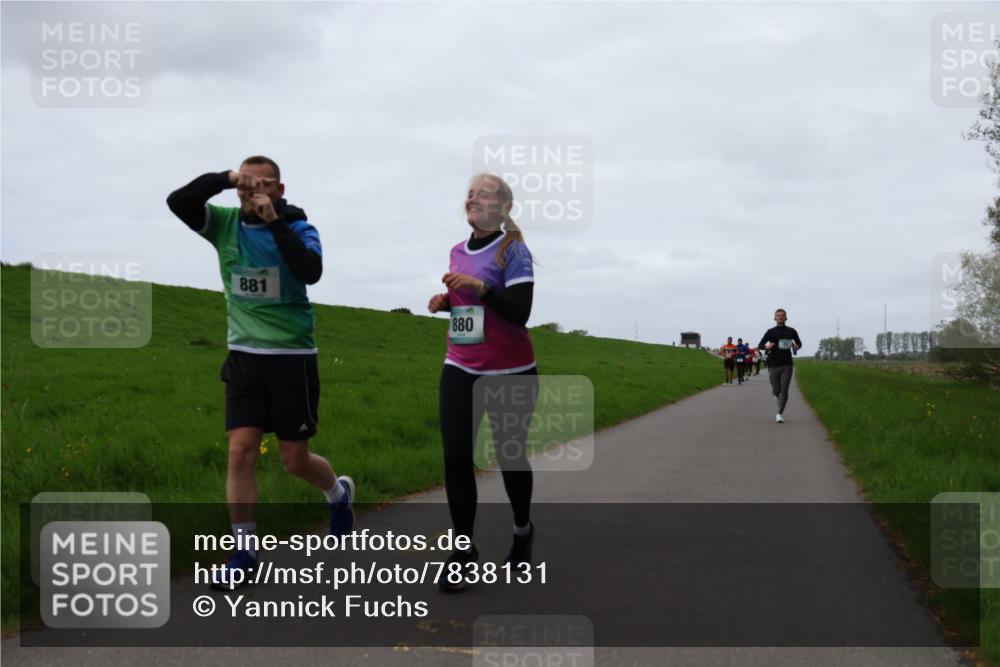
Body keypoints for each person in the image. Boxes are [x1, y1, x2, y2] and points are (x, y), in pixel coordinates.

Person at [167, 156, 354, 589]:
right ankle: (245, 552)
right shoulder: (224, 223)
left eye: (264, 185)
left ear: (280, 190)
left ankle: (338, 494)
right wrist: (225, 177)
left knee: (294, 460)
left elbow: (311, 271)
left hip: (292, 357)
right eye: (247, 185)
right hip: (244, 356)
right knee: (240, 451)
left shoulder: (300, 227)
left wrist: (275, 223)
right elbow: (178, 202)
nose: (254, 193)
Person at [428, 173, 538, 591]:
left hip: (510, 370)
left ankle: (522, 532)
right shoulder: (457, 251)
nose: (472, 198)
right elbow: (469, 311)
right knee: (456, 457)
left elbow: (520, 312)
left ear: (503, 207)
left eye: (483, 193)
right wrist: (447, 304)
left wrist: (481, 288)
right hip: (460, 366)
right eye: (470, 193)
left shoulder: (514, 250)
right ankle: (463, 552)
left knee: (510, 456)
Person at [758, 308, 803, 423]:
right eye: (778, 315)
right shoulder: (770, 332)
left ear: (786, 318)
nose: (781, 317)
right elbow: (760, 345)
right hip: (773, 364)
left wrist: (796, 347)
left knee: (785, 389)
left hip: (787, 364)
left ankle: (780, 413)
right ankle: (776, 395)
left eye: (783, 315)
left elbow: (799, 344)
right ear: (775, 318)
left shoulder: (791, 331)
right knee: (776, 390)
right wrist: (767, 346)